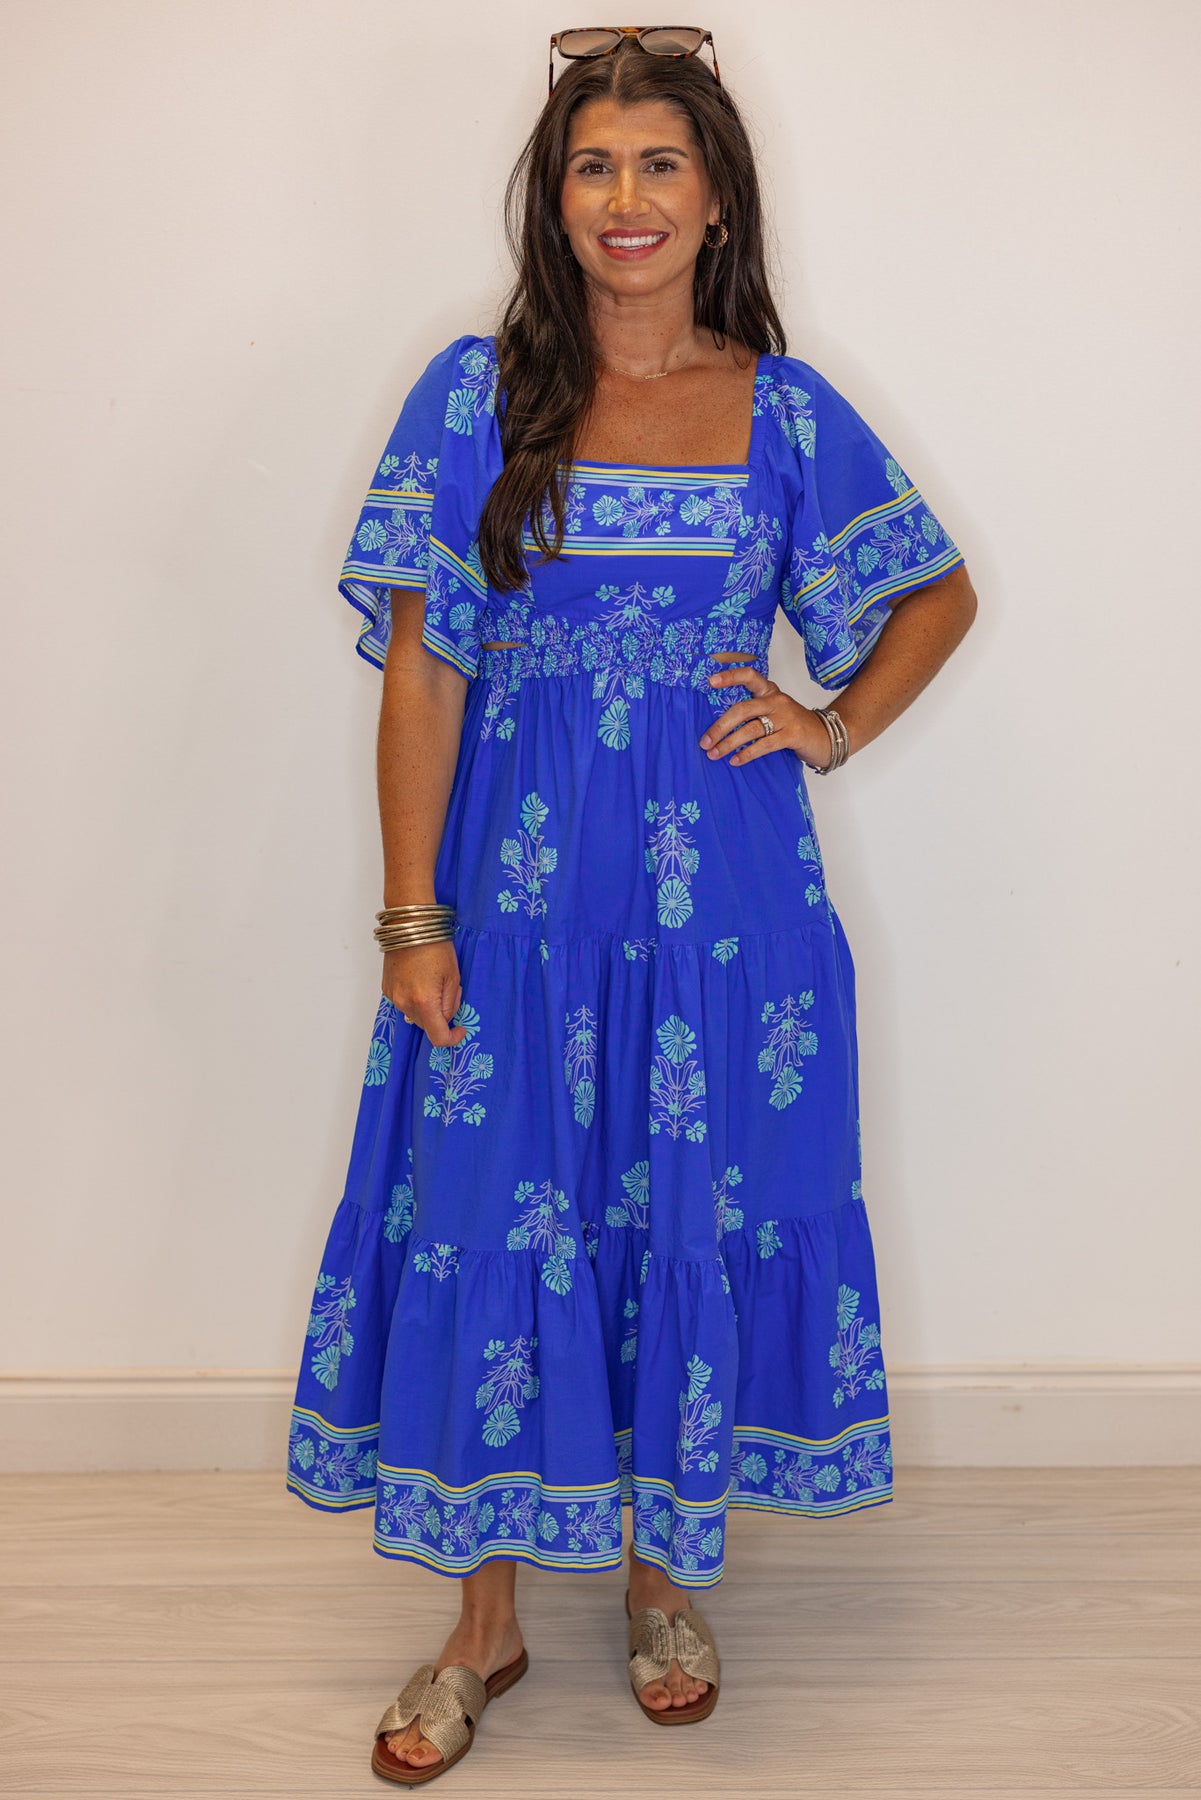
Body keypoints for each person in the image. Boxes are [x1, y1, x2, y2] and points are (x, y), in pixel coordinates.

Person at [286, 24, 976, 1785]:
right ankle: (484, 1624)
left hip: (726, 920)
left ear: (717, 196)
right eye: (592, 165)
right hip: (513, 919)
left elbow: (934, 596)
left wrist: (826, 721)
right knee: (496, 1216)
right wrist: (410, 917)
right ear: (554, 199)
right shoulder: (476, 395)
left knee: (680, 1213)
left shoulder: (783, 410)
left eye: (660, 162)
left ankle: (664, 1584)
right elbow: (424, 671)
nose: (624, 196)